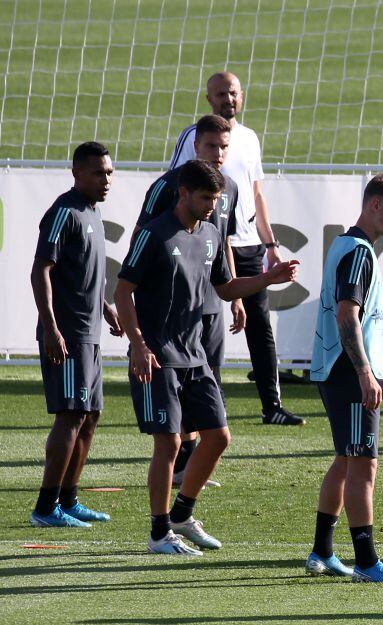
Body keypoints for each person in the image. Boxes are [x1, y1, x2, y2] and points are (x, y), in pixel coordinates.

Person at [114, 160, 299, 555]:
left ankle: (182, 513)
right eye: (205, 197)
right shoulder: (154, 234)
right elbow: (122, 292)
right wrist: (139, 345)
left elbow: (227, 288)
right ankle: (159, 532)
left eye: (216, 198)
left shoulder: (213, 234)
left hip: (195, 356)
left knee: (218, 436)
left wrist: (268, 278)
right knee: (167, 444)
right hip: (158, 356)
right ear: (184, 194)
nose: (212, 205)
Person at [169, 71, 304, 426]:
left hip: (247, 244)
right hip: (210, 244)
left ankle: (271, 405)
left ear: (241, 95)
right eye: (219, 94)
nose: (227, 99)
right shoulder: (193, 137)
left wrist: (270, 242)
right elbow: (176, 185)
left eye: (232, 93)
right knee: (205, 322)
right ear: (207, 98)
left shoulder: (249, 138)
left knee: (260, 325)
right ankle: (208, 407)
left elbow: (256, 193)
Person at [305, 174, 383, 583]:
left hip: (342, 371)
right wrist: (365, 371)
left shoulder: (347, 244)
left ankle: (321, 552)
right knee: (363, 466)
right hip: (346, 374)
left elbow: (363, 319)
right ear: (374, 206)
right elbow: (347, 315)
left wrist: (378, 368)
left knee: (345, 460)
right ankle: (367, 562)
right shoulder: (358, 253)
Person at [140, 114, 243, 487]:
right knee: (177, 386)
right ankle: (180, 462)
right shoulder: (169, 186)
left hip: (211, 300)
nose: (218, 153)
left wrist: (236, 297)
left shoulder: (227, 187)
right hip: (172, 313)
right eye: (211, 145)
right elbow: (144, 236)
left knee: (206, 381)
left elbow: (222, 240)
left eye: (224, 147)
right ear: (195, 145)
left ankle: (189, 464)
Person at [29, 141, 123, 528]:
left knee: (90, 415)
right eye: (99, 172)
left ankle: (69, 499)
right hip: (67, 334)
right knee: (71, 415)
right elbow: (41, 270)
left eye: (110, 172)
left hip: (90, 333)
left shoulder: (93, 213)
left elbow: (85, 274)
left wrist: (105, 307)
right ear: (77, 174)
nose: (107, 180)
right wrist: (50, 326)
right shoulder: (63, 211)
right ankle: (45, 507)